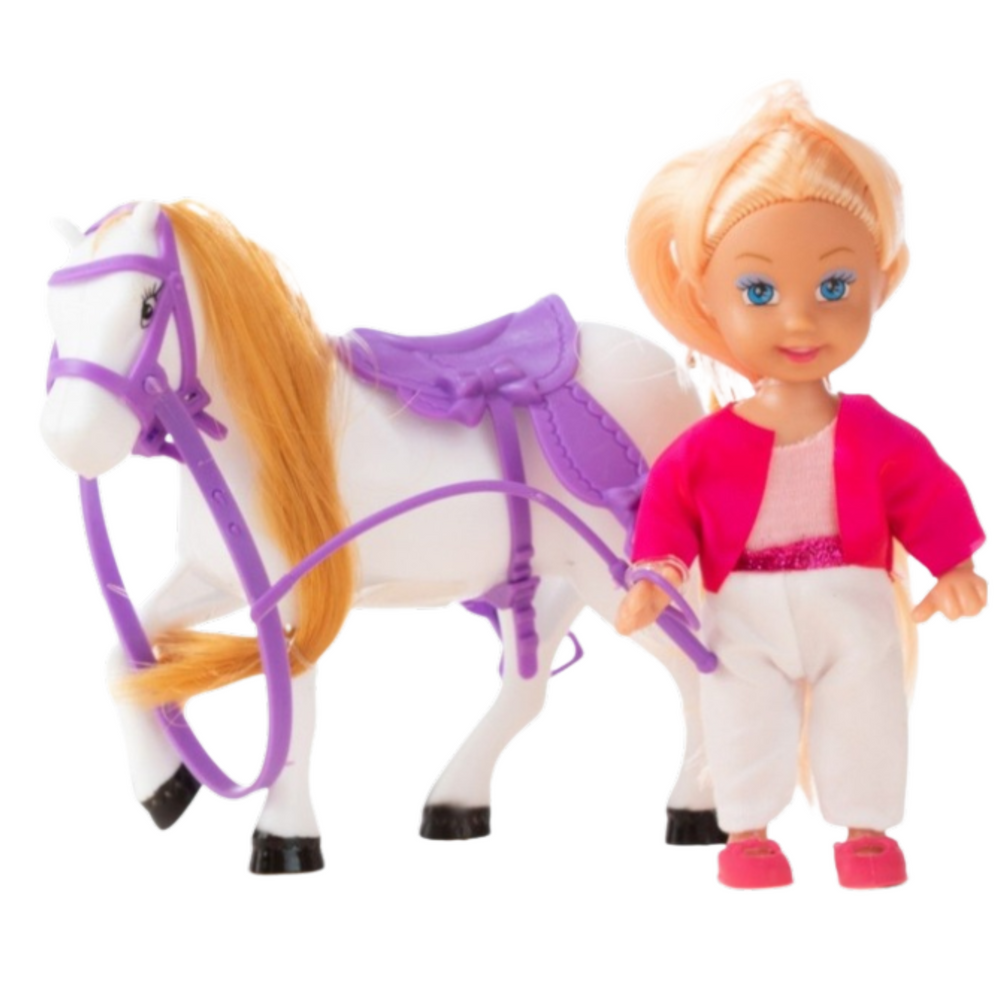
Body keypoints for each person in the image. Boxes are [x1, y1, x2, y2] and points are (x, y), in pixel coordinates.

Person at [616, 87, 987, 889]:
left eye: (835, 287)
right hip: (743, 600)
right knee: (741, 713)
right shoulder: (705, 448)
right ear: (706, 294)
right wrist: (655, 574)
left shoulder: (876, 433)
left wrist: (953, 564)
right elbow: (671, 511)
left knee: (867, 708)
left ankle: (866, 830)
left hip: (851, 594)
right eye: (759, 292)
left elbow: (925, 490)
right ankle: (748, 830)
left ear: (883, 281)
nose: (798, 321)